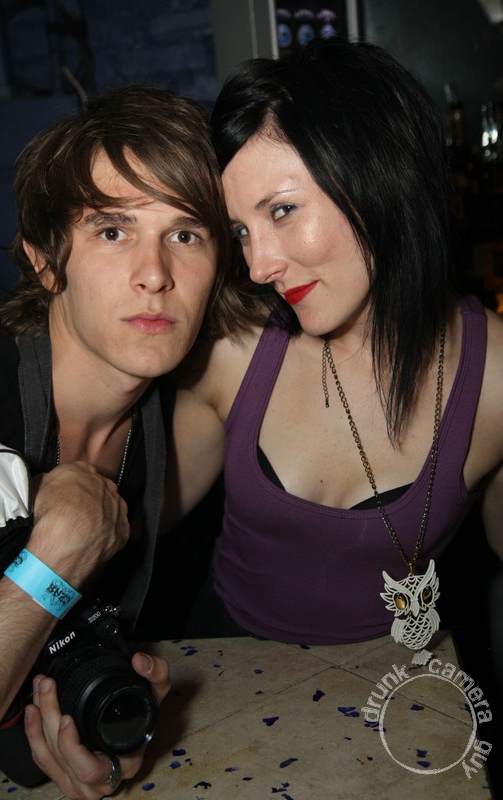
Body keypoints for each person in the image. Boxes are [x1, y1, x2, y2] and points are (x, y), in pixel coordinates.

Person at [167, 38, 503, 652]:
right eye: (241, 230)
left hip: (392, 691)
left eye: (282, 211)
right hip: (224, 671)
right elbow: (125, 527)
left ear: (379, 177)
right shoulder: (234, 350)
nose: (258, 266)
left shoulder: (495, 376)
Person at [0, 83, 230, 799]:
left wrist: (107, 718)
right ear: (46, 261)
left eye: (186, 234)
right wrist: (54, 559)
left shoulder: (157, 433)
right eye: (113, 231)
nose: (155, 275)